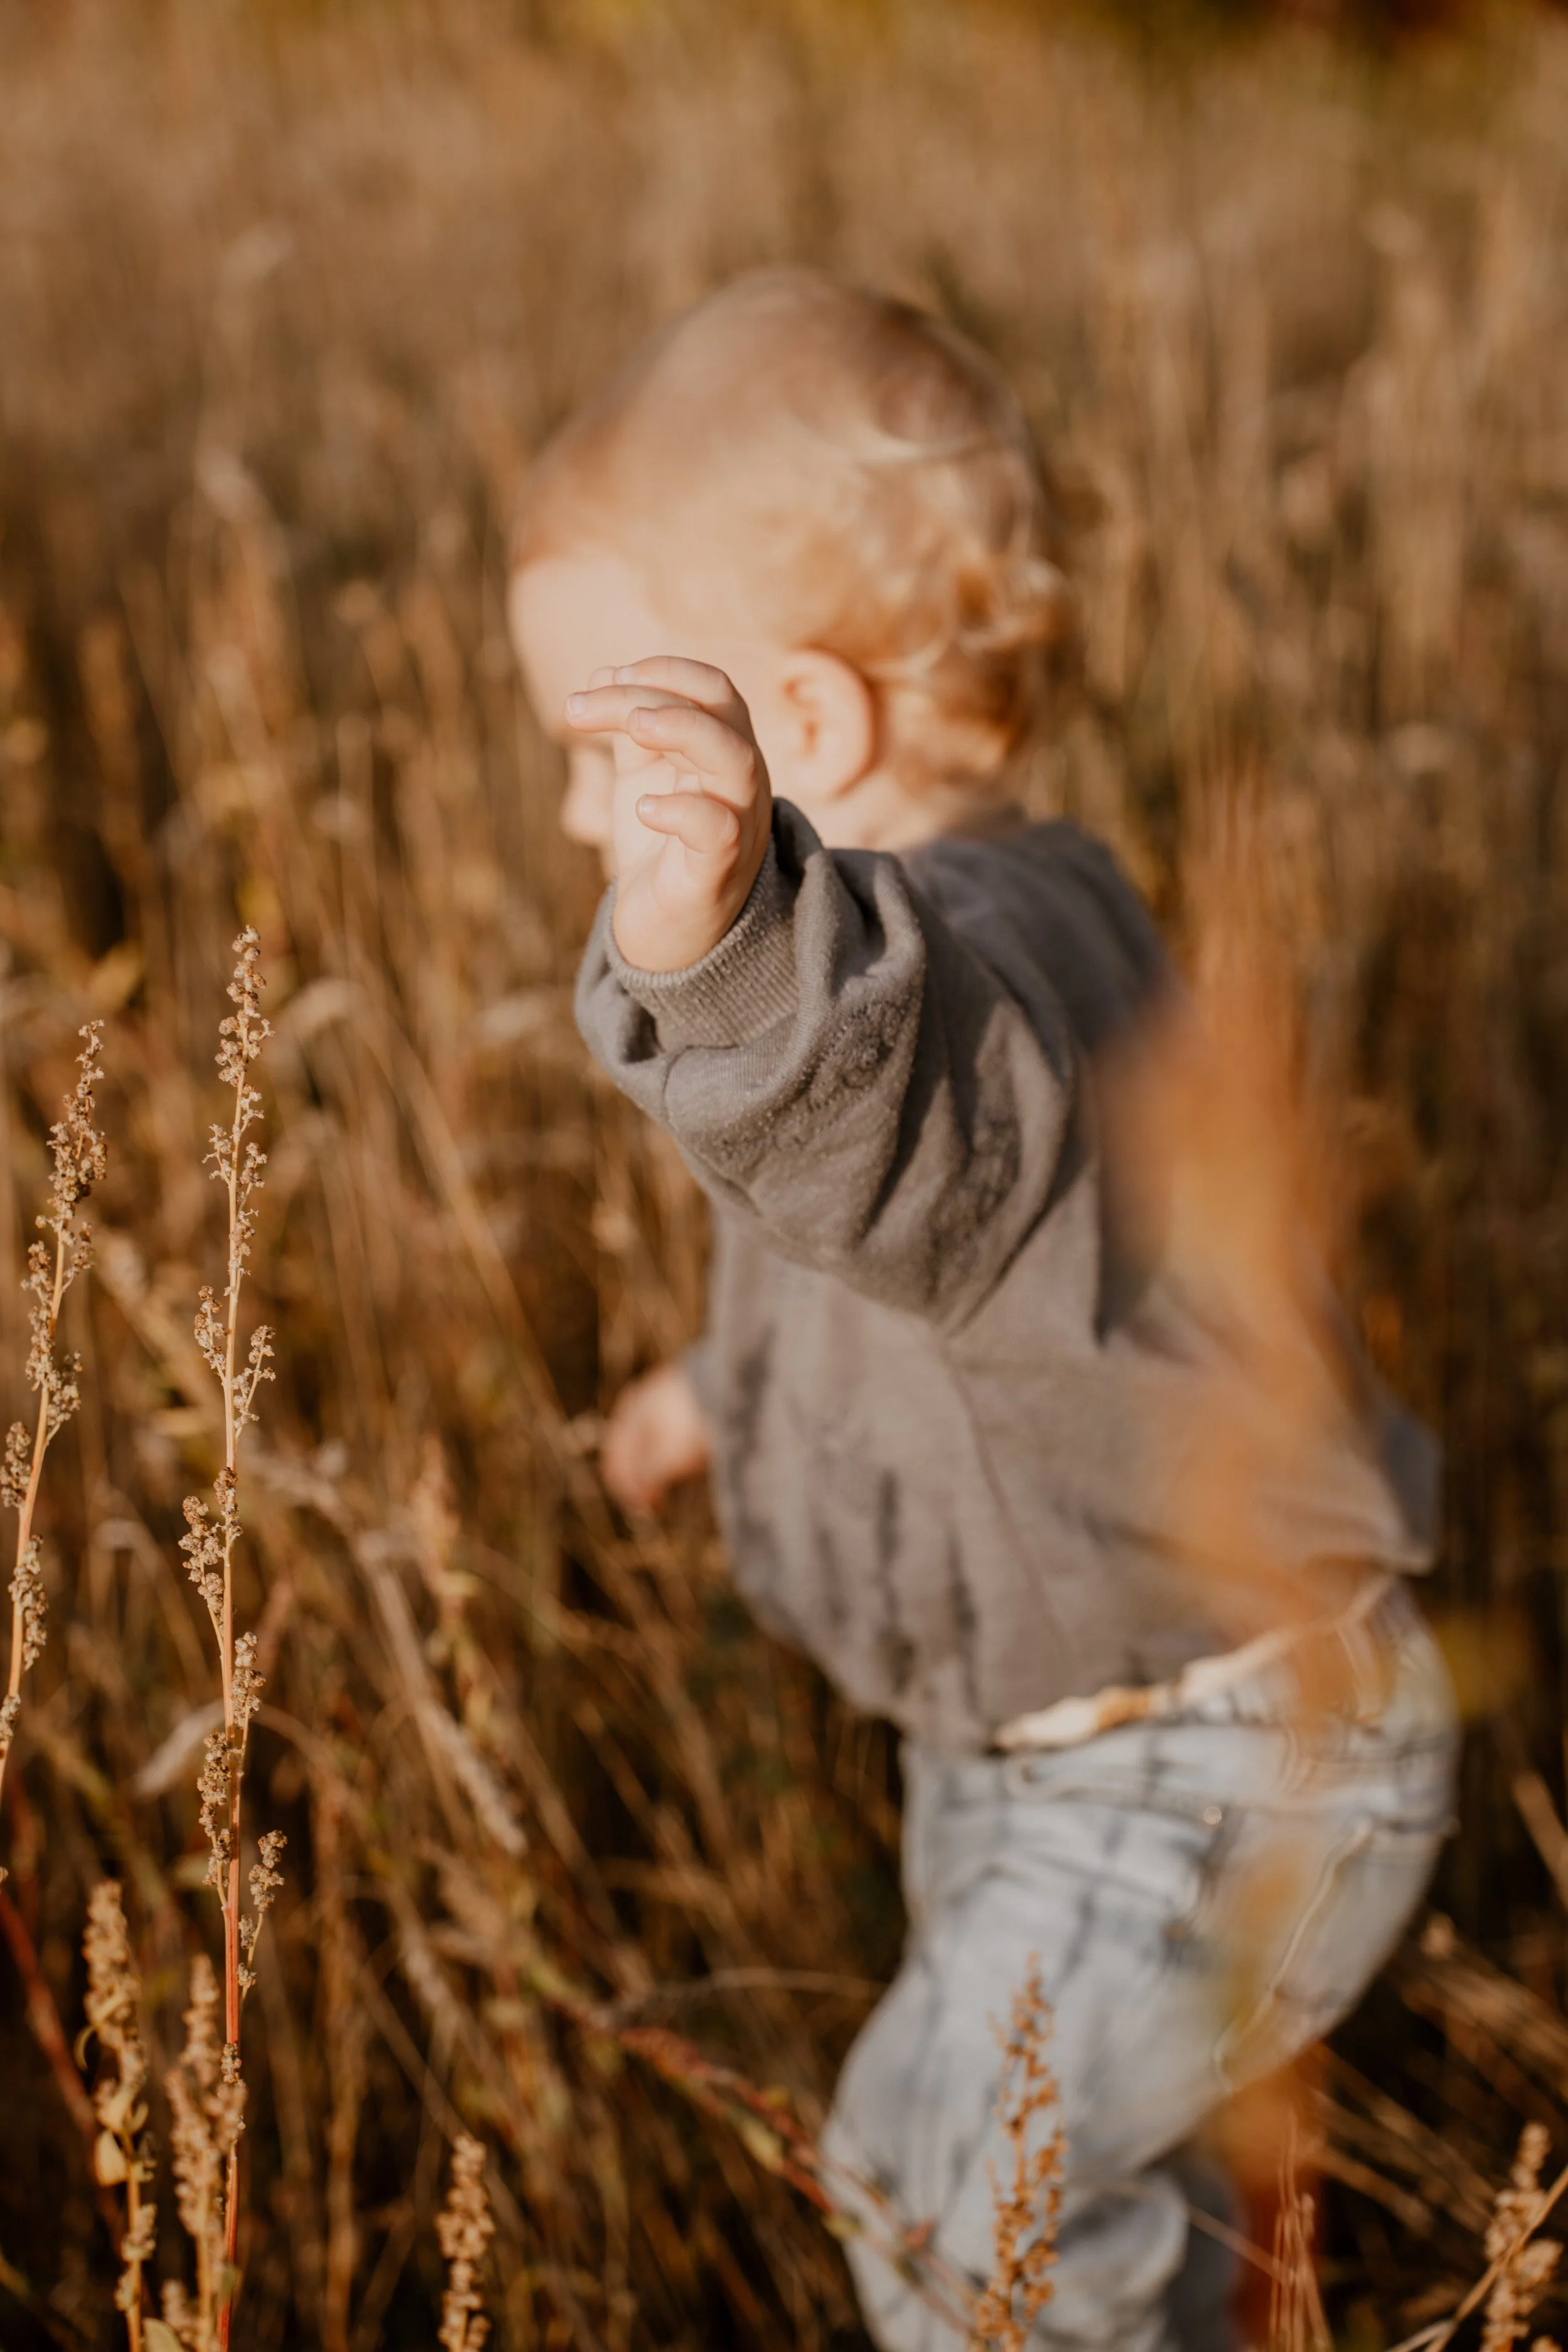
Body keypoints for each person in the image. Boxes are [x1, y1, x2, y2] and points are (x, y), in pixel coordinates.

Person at [507, 269, 1458, 2352]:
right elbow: (940, 1287)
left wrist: (731, 930)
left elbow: (896, 1138)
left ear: (804, 736)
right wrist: (718, 1391)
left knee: (961, 2196)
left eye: (608, 759)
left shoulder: (946, 969)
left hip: (1197, 1757)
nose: (582, 822)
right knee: (1102, 2196)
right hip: (1076, 1739)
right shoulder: (1021, 924)